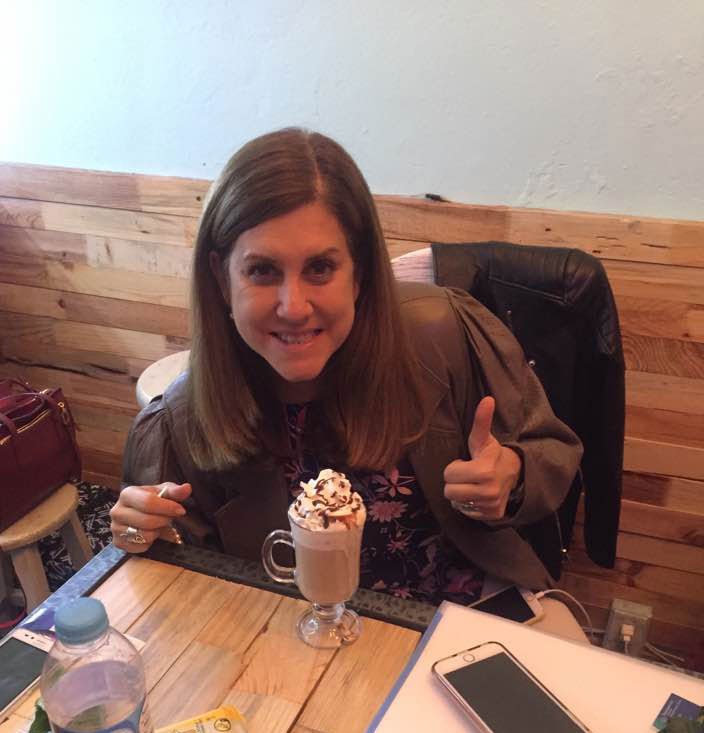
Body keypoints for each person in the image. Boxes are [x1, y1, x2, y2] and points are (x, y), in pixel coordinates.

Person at [110, 128, 582, 605]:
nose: (294, 307)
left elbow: (553, 452)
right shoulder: (182, 422)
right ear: (220, 278)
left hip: (465, 615)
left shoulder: (445, 336)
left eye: (319, 269)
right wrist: (145, 538)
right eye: (262, 271)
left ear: (359, 273)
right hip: (296, 627)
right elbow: (185, 587)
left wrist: (512, 475)